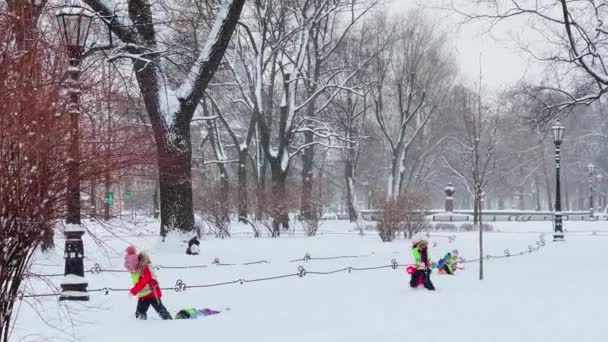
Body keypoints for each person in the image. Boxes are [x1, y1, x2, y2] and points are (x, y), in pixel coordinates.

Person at [125, 246, 172, 320]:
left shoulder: (146, 269)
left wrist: (133, 291)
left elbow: (142, 282)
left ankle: (169, 321)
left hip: (153, 293)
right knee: (139, 313)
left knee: (161, 310)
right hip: (143, 295)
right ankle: (139, 325)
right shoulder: (139, 270)